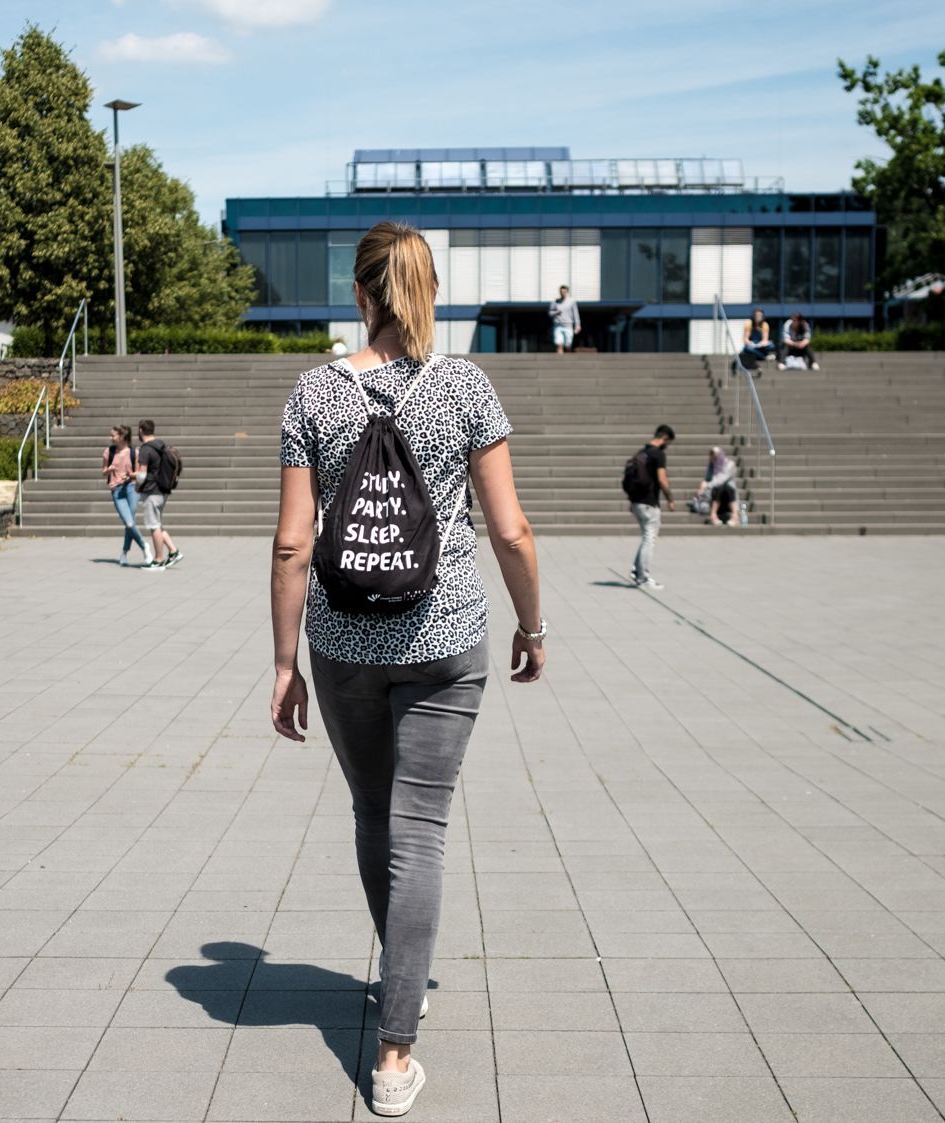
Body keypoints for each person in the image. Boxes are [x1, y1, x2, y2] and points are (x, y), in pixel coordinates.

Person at [270, 221, 547, 1119]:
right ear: (431, 292)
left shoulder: (313, 391)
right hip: (446, 636)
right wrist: (533, 626)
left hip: (344, 640)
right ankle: (395, 1053)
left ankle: (401, 979)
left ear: (360, 294)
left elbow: (290, 543)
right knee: (420, 827)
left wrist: (283, 663)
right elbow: (508, 528)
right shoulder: (466, 385)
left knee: (370, 812)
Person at [624, 425, 677, 590]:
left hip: (636, 502)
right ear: (665, 438)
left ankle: (636, 569)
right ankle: (643, 577)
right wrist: (670, 498)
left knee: (646, 536)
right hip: (648, 502)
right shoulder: (658, 455)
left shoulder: (642, 453)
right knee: (649, 538)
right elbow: (662, 480)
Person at [134, 419, 183, 570]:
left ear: (141, 430)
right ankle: (174, 551)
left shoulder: (145, 449)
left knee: (153, 525)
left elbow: (142, 476)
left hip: (151, 491)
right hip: (163, 489)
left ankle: (159, 559)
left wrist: (136, 487)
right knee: (158, 523)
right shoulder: (161, 445)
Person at [102, 426, 148, 566]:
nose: (111, 438)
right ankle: (144, 546)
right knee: (129, 523)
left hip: (132, 488)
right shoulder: (108, 452)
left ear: (122, 436)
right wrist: (108, 470)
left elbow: (140, 473)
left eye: (113, 435)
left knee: (130, 523)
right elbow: (103, 471)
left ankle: (124, 552)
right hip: (116, 490)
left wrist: (130, 475)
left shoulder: (135, 452)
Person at [698, 446, 741, 527]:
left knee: (725, 487)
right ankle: (713, 515)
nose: (713, 459)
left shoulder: (730, 465)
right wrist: (703, 485)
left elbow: (721, 479)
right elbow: (707, 478)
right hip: (715, 496)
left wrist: (706, 485)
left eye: (715, 457)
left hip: (728, 496)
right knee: (719, 488)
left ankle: (735, 516)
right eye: (712, 457)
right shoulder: (711, 466)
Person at [548, 284, 581, 354]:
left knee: (568, 345)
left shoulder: (572, 302)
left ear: (567, 292)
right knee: (559, 344)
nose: (562, 293)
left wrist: (578, 325)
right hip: (558, 325)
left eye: (564, 292)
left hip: (568, 325)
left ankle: (568, 361)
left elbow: (576, 314)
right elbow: (550, 313)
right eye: (561, 292)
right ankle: (558, 363)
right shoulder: (555, 302)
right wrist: (556, 312)